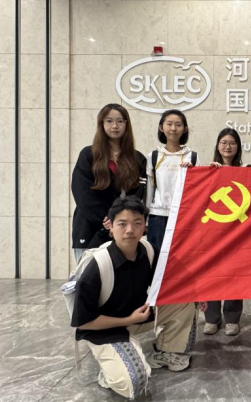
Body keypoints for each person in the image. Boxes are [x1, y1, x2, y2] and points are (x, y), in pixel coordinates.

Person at [71, 196, 201, 400]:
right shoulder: (97, 266)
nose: (130, 230)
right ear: (111, 227)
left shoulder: (147, 251)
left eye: (137, 223)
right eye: (122, 224)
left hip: (137, 317)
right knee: (135, 380)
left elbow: (171, 282)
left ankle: (166, 351)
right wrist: (128, 320)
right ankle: (110, 370)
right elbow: (84, 322)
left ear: (144, 227)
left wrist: (197, 294)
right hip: (103, 329)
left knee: (185, 301)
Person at [71, 104, 146, 262]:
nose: (115, 126)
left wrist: (118, 221)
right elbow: (82, 193)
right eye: (109, 121)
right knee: (88, 274)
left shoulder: (137, 159)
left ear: (126, 124)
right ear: (102, 124)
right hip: (90, 228)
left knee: (121, 275)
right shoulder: (88, 155)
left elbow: (137, 196)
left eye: (120, 121)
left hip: (123, 230)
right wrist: (107, 219)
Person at [203, 128, 245, 337]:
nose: (228, 147)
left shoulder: (246, 171)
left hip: (238, 233)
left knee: (234, 275)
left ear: (238, 147)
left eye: (232, 143)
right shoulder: (208, 171)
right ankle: (212, 318)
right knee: (212, 274)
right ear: (218, 146)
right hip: (213, 232)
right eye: (224, 142)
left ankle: (232, 318)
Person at [146, 109, 199, 251]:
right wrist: (146, 219)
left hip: (184, 216)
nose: (173, 129)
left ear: (185, 129)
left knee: (183, 256)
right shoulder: (154, 156)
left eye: (178, 125)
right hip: (158, 215)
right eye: (169, 124)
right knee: (157, 257)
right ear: (161, 127)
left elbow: (198, 189)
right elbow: (150, 189)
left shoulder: (192, 157)